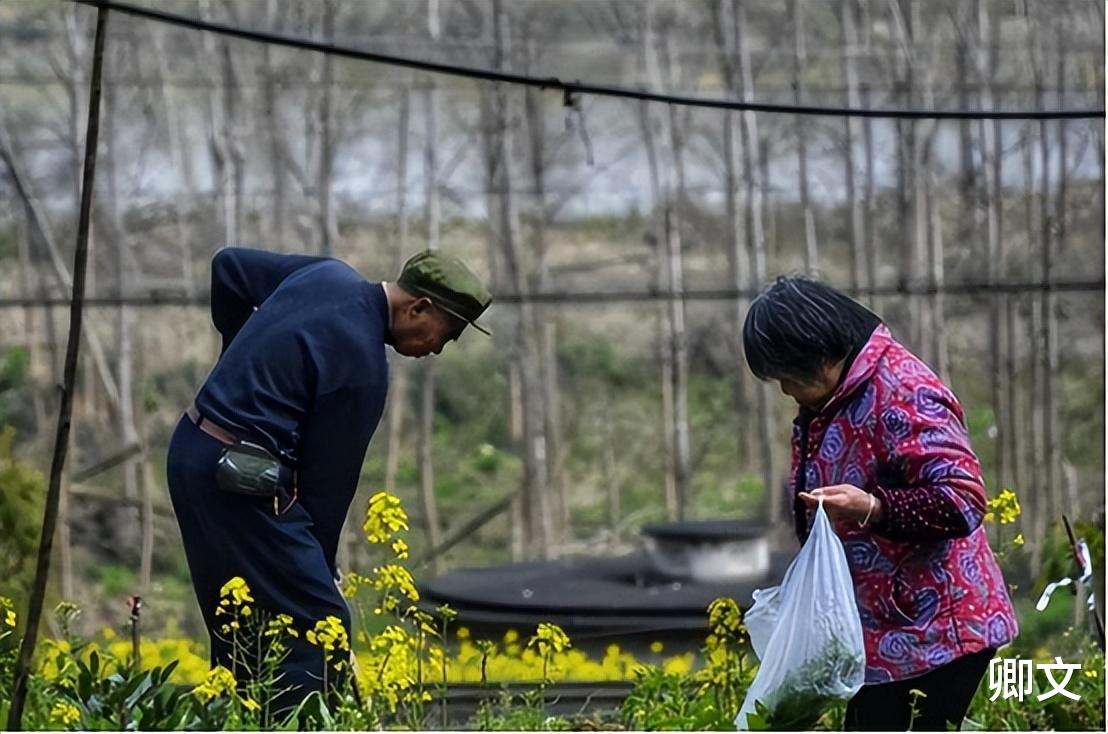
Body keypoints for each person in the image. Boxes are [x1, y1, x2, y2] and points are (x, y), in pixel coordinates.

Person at [166, 246, 491, 709]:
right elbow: (326, 490)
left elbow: (228, 268)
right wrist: (319, 571)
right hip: (238, 482)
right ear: (418, 308)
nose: (437, 349)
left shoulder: (325, 274)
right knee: (316, 620)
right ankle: (303, 721)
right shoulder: (361, 368)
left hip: (191, 449)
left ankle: (241, 713)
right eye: (446, 334)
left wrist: (234, 359)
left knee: (241, 616)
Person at [742, 276, 1017, 731]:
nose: (787, 391)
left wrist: (871, 507)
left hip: (934, 633)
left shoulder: (903, 394)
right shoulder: (838, 396)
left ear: (823, 356)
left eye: (788, 376)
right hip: (886, 630)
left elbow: (962, 499)